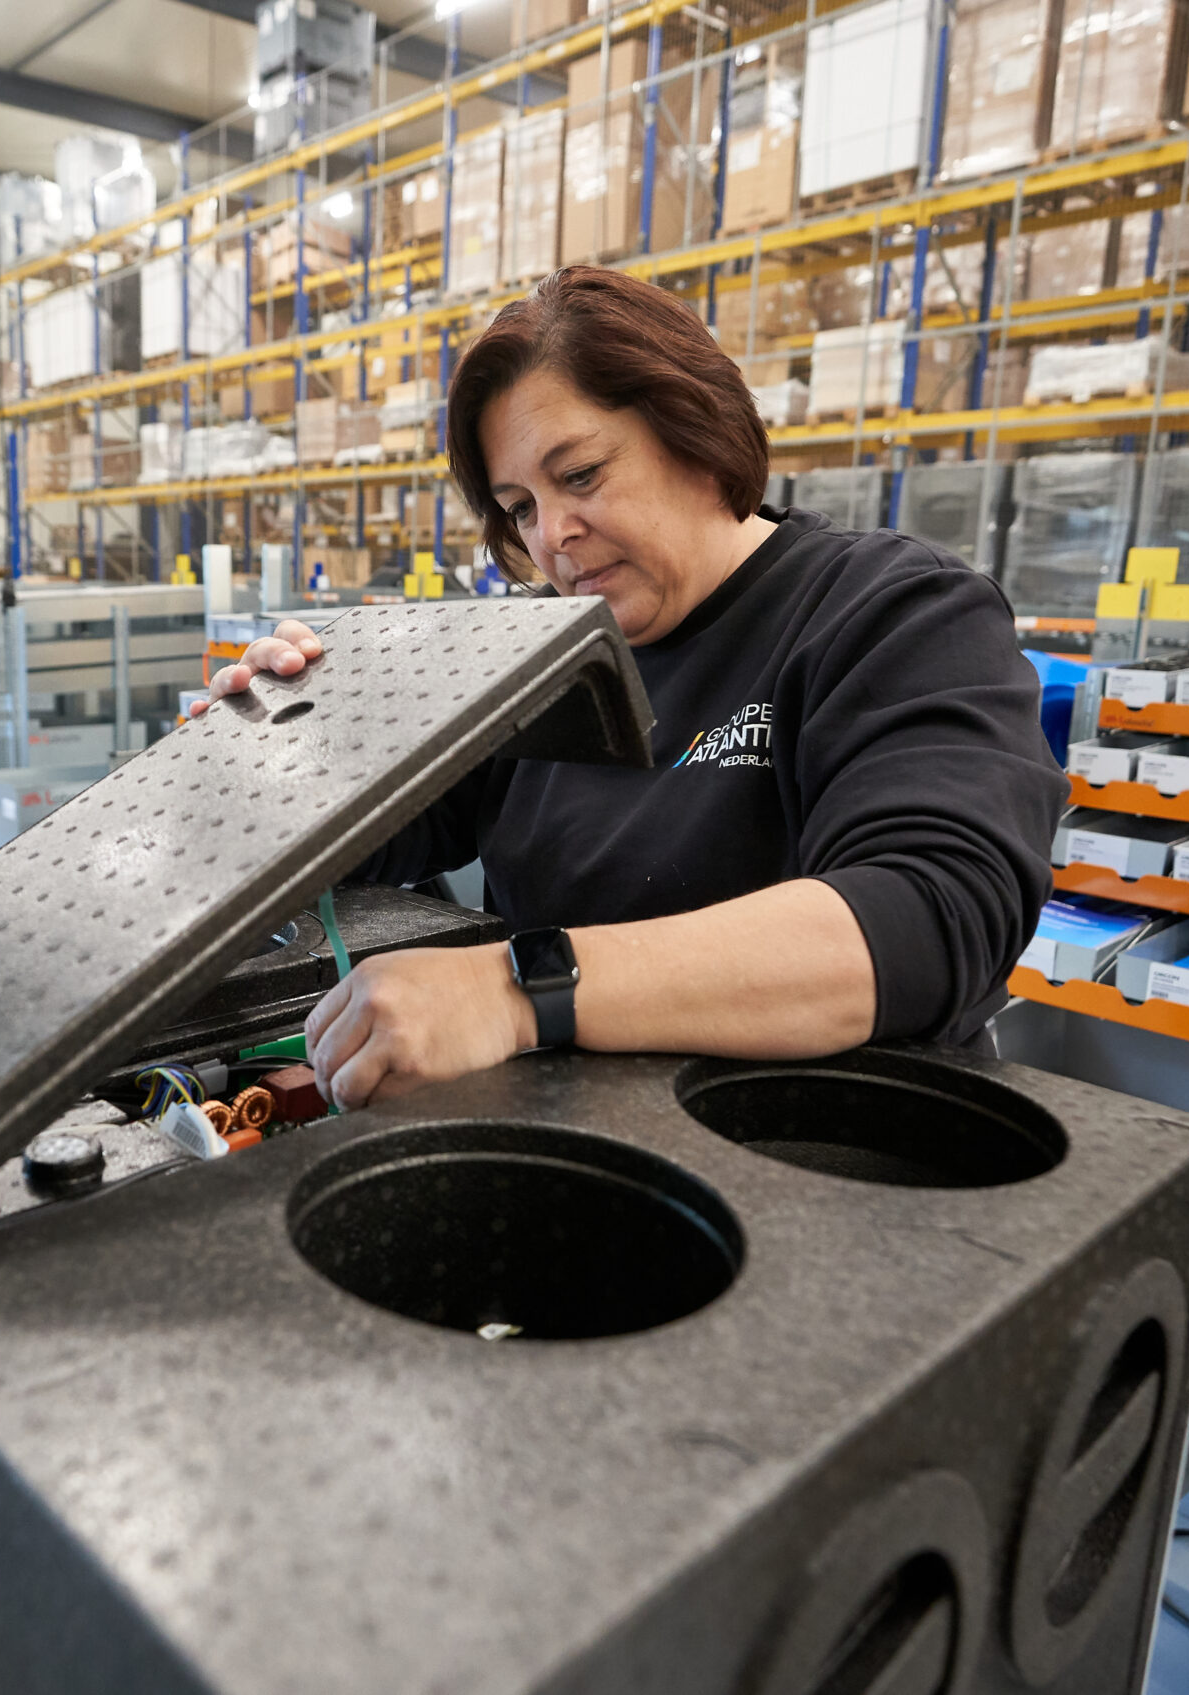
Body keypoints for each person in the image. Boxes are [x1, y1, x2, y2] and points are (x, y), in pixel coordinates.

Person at [200, 267, 1066, 1111]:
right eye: (521, 506)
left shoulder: (889, 611)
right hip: (582, 1152)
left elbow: (931, 915)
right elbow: (385, 830)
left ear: (695, 426)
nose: (553, 538)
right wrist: (281, 759)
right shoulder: (538, 654)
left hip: (822, 1166)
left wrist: (515, 988)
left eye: (579, 475)